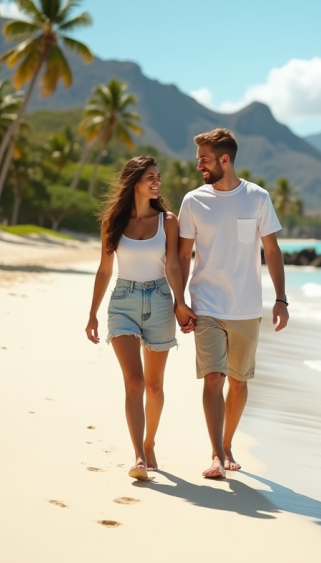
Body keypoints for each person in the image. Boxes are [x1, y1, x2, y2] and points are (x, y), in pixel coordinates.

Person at [178, 128, 289, 479]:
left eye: (205, 159)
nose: (199, 166)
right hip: (206, 303)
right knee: (213, 378)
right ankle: (216, 454)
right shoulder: (193, 201)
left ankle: (227, 446)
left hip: (246, 307)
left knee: (238, 381)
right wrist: (179, 300)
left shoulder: (257, 198)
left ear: (225, 159)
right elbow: (182, 255)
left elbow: (271, 250)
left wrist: (281, 299)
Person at [85, 155, 196, 481]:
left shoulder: (169, 221)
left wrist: (180, 302)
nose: (157, 182)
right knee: (134, 382)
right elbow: (105, 270)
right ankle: (138, 456)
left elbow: (173, 265)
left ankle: (149, 444)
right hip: (123, 302)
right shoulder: (113, 222)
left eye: (158, 176)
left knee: (154, 385)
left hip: (161, 300)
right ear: (134, 181)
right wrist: (92, 312)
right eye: (150, 176)